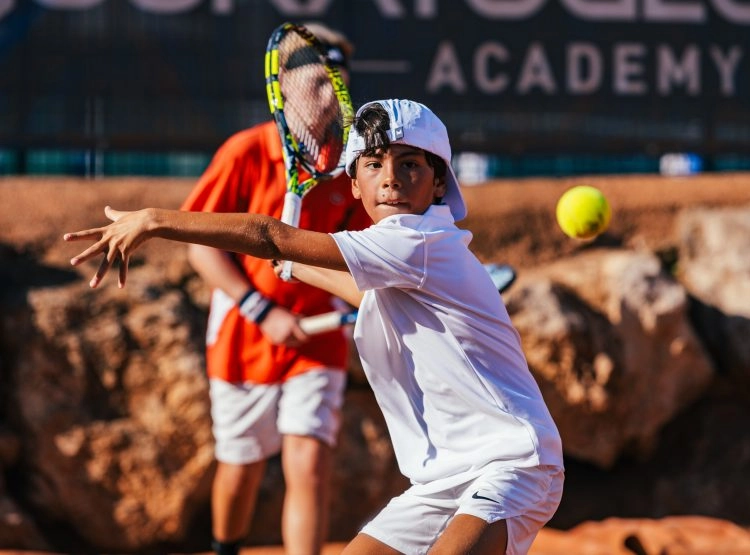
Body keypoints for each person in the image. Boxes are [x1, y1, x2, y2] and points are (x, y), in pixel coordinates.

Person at [65, 98, 565, 555]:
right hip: (442, 478)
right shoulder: (399, 258)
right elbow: (364, 292)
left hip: (514, 463)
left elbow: (269, 234)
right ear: (354, 183)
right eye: (373, 165)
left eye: (409, 165)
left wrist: (154, 220)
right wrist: (292, 265)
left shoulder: (420, 241)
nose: (389, 178)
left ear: (439, 183)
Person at [177, 23, 370, 555]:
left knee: (309, 461)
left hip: (318, 339)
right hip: (244, 335)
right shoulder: (244, 152)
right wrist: (261, 311)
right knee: (239, 468)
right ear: (283, 88)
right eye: (320, 83)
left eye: (341, 85)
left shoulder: (351, 168)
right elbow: (201, 245)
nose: (333, 96)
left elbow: (362, 255)